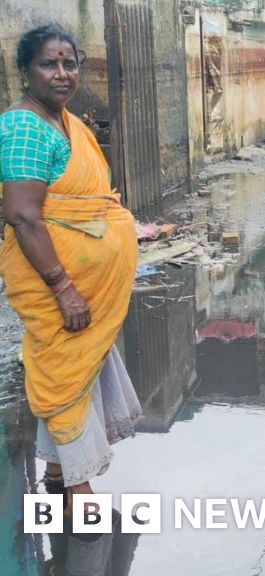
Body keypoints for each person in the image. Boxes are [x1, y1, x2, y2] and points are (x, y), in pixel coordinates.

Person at [0, 25, 139, 516]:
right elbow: (23, 215)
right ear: (25, 71)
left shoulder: (66, 123)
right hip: (55, 283)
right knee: (61, 374)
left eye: (69, 63)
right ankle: (78, 491)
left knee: (78, 370)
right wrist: (63, 288)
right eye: (48, 64)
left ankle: (58, 472)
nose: (62, 73)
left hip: (87, 283)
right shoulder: (24, 127)